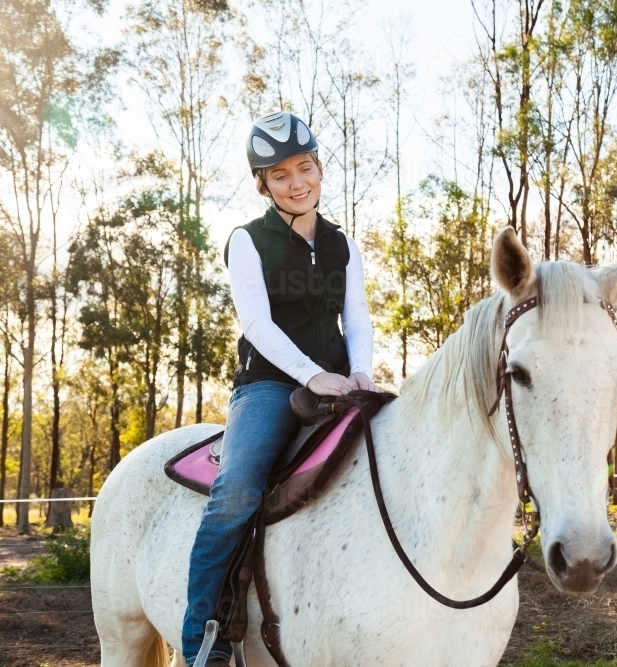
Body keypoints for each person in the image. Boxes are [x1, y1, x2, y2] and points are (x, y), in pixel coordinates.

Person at [182, 111, 375, 666]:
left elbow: (357, 318)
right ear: (263, 183)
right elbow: (258, 326)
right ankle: (203, 642)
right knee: (238, 490)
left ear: (318, 169)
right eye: (281, 174)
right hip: (268, 383)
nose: (297, 183)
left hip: (341, 380)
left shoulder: (343, 245)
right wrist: (310, 374)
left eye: (305, 168)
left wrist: (359, 370)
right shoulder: (248, 241)